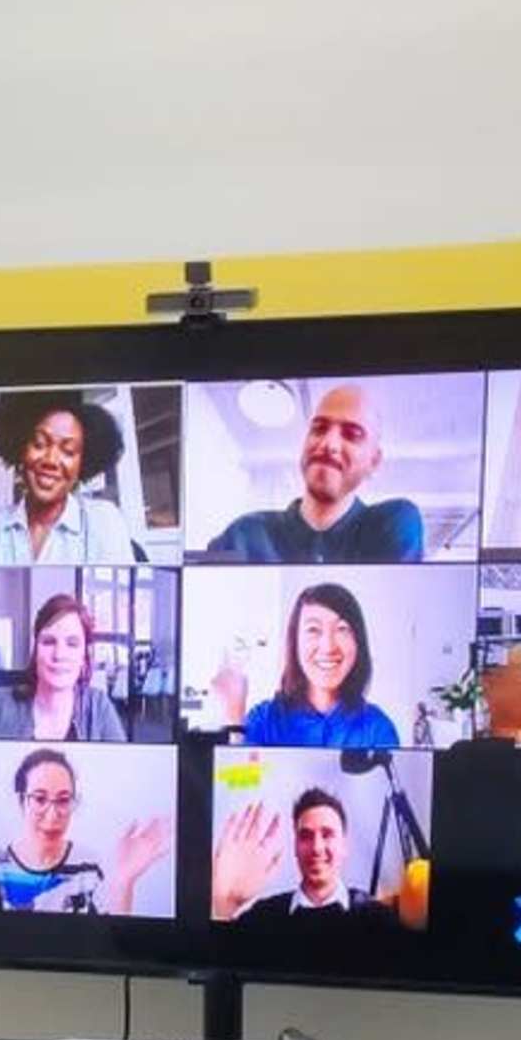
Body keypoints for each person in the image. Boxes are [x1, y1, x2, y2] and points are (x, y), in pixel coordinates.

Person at [195, 384, 426, 563]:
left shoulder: (391, 523)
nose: (329, 444)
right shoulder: (244, 534)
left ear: (374, 462)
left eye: (352, 434)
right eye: (319, 428)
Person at [0, 390, 138, 562]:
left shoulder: (105, 522)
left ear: (82, 463)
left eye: (68, 451)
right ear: (21, 449)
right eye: (39, 443)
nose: (51, 459)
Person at [210, 582, 399, 750]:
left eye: (342, 629)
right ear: (295, 643)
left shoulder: (378, 729)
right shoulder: (265, 720)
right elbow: (239, 784)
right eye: (314, 630)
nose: (328, 646)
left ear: (359, 642)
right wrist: (234, 716)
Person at [0, 588, 135, 742]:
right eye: (48, 642)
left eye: (72, 644)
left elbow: (123, 776)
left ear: (84, 657)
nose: (59, 654)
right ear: (36, 650)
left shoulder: (98, 707)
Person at [0, 748, 168, 914]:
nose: (53, 814)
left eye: (63, 800)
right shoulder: (0, 864)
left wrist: (124, 881)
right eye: (40, 799)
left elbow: (113, 941)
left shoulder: (89, 867)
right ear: (22, 801)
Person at [213, 788, 371, 919]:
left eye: (327, 834)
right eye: (306, 836)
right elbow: (216, 953)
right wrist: (226, 902)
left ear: (344, 845)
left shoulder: (375, 917)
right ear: (295, 846)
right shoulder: (264, 916)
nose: (316, 847)